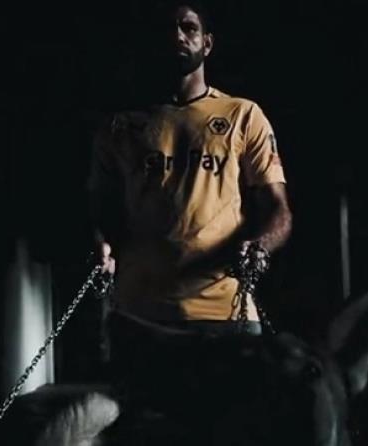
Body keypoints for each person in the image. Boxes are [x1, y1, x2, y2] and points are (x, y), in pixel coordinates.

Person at [86, 0, 293, 425]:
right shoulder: (120, 126)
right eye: (169, 30)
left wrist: (261, 245)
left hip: (224, 316)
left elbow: (279, 211)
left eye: (189, 28)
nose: (178, 36)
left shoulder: (242, 115)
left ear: (207, 43)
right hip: (142, 318)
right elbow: (99, 213)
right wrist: (99, 245)